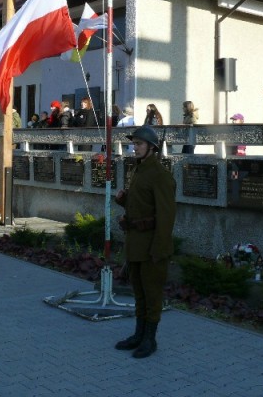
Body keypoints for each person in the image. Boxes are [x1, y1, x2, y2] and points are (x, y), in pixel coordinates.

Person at [114, 126, 176, 359]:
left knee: (152, 295)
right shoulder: (139, 171)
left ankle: (150, 339)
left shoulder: (161, 176)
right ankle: (139, 335)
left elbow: (166, 216)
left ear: (152, 148)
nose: (135, 147)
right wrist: (124, 201)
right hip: (136, 244)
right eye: (134, 143)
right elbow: (140, 204)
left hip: (152, 246)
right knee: (139, 293)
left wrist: (159, 249)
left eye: (139, 144)